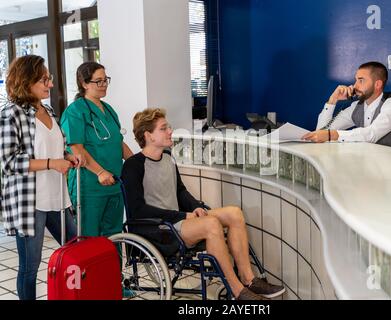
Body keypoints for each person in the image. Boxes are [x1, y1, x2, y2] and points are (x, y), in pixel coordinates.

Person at [121, 108, 286, 301]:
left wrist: (195, 206)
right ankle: (237, 291)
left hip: (175, 222)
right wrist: (183, 216)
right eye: (163, 128)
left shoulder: (167, 158)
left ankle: (248, 279)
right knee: (211, 225)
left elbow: (180, 191)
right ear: (148, 135)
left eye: (168, 127)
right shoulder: (133, 166)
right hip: (157, 230)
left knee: (234, 213)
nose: (170, 131)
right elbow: (138, 210)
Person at [0, 55, 81, 300]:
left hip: (58, 197)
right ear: (27, 81)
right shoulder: (10, 114)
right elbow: (8, 162)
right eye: (44, 79)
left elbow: (55, 147)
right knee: (29, 268)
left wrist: (68, 154)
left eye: (50, 78)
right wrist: (51, 163)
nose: (50, 84)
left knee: (76, 250)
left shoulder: (47, 109)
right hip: (30, 203)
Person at [60, 62, 133, 237]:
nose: (103, 85)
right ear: (84, 84)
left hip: (115, 183)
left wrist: (136, 164)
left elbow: (118, 142)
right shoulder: (75, 111)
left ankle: (114, 266)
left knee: (114, 235)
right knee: (89, 237)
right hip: (90, 186)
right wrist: (100, 172)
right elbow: (76, 148)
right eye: (98, 81)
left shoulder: (108, 109)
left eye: (105, 80)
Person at [303, 61, 391, 153]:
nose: (355, 85)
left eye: (361, 80)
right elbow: (321, 131)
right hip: (383, 166)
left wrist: (332, 135)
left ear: (377, 84)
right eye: (356, 80)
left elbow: (371, 134)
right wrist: (332, 100)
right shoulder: (356, 106)